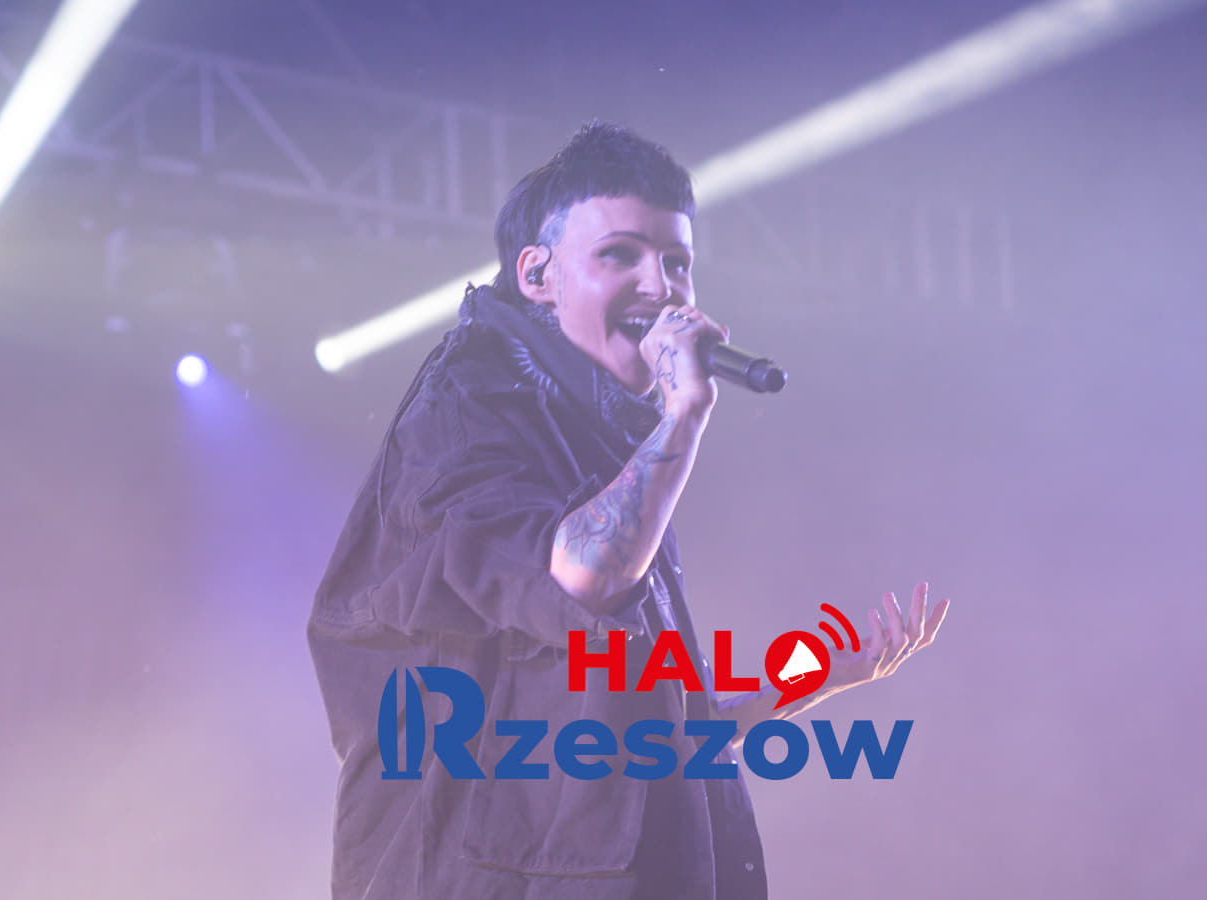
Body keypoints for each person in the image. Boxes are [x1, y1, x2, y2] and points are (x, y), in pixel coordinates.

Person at [308, 122, 950, 900]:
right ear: (538, 274)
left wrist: (812, 683)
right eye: (620, 254)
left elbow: (652, 736)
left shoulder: (600, 443)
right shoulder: (469, 410)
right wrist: (684, 414)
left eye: (677, 262)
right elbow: (575, 580)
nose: (662, 287)